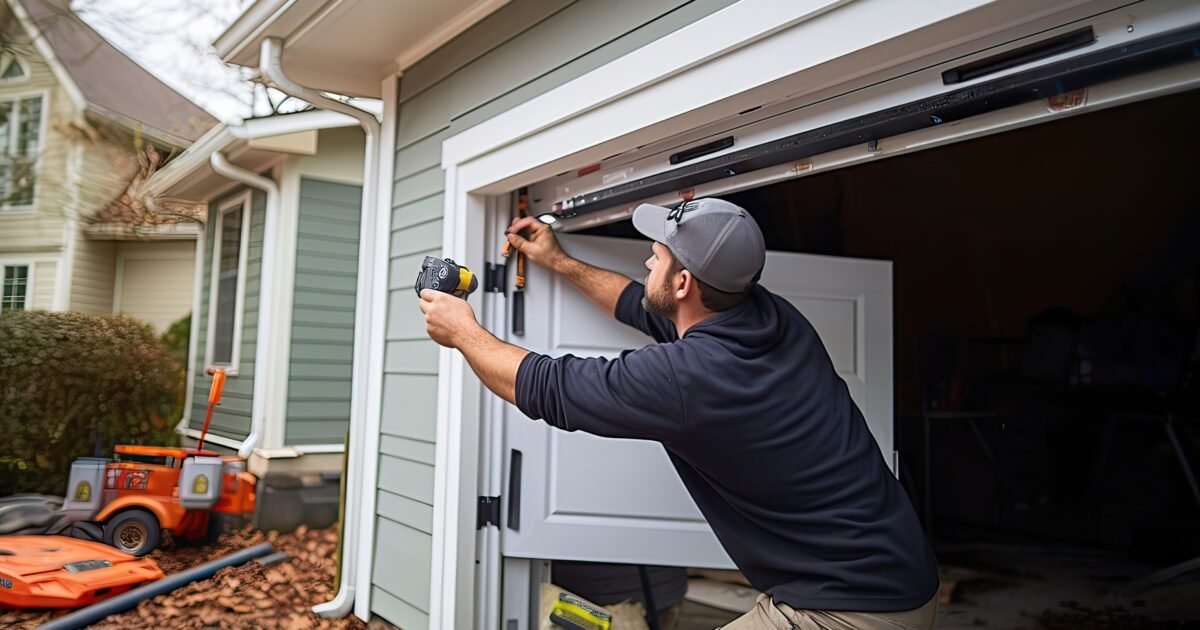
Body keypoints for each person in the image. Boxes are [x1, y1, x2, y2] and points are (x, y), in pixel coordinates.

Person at [419, 198, 940, 629]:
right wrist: (559, 260)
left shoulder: (689, 378)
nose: (648, 258)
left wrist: (460, 330)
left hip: (853, 608)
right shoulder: (766, 315)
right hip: (894, 568)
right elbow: (636, 304)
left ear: (686, 282)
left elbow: (542, 386)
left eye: (659, 255)